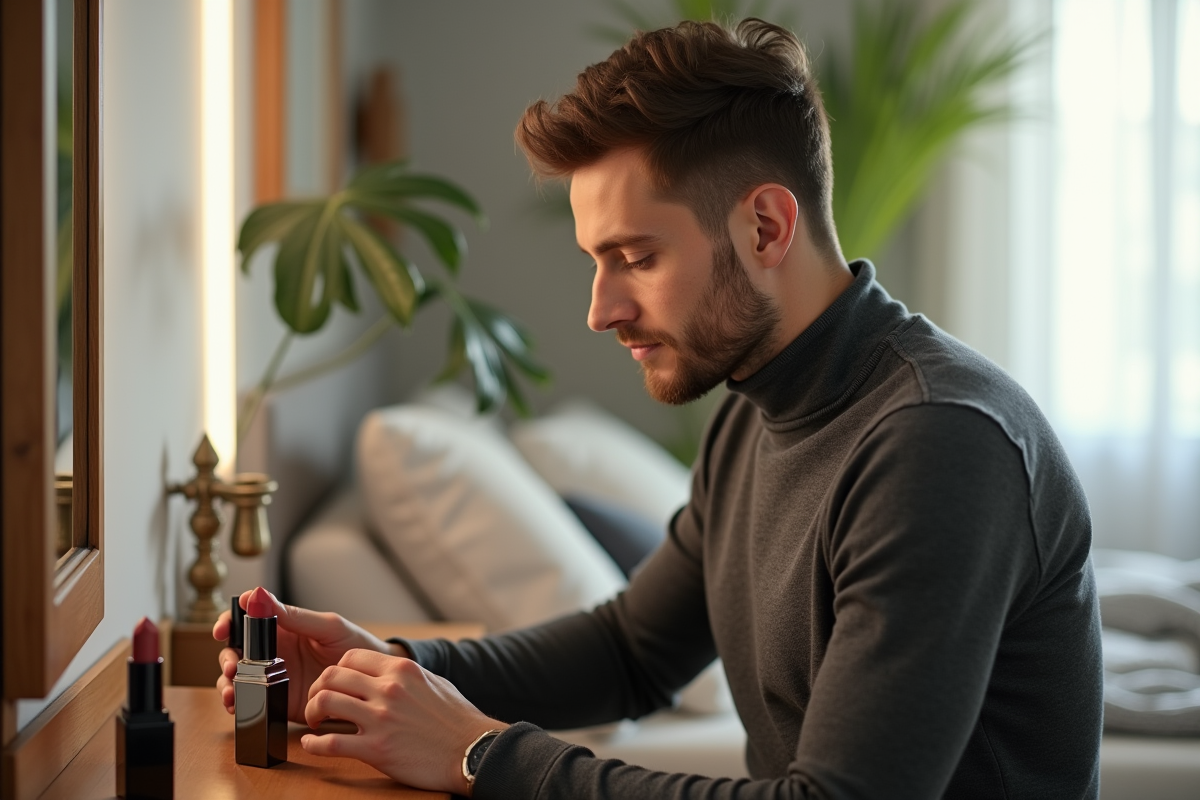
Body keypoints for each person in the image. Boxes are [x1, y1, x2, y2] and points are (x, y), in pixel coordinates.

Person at [213, 18, 1103, 799]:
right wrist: (391, 671)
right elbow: (631, 652)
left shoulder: (937, 443)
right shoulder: (756, 409)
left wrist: (481, 754)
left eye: (634, 256)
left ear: (765, 227)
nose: (600, 310)